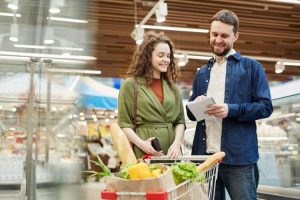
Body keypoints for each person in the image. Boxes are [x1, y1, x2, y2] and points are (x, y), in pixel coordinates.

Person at [186, 10, 273, 200]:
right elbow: (193, 116)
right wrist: (195, 104)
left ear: (236, 36)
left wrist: (230, 109)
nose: (218, 40)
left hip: (238, 159)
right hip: (205, 158)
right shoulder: (202, 72)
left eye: (224, 35)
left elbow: (265, 106)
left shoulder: (251, 68)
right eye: (214, 34)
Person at [118, 31, 185, 159]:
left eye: (168, 56)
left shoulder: (173, 88)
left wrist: (177, 144)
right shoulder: (131, 85)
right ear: (148, 56)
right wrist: (142, 144)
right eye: (160, 55)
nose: (166, 60)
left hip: (172, 154)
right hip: (144, 152)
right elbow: (124, 124)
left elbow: (180, 121)